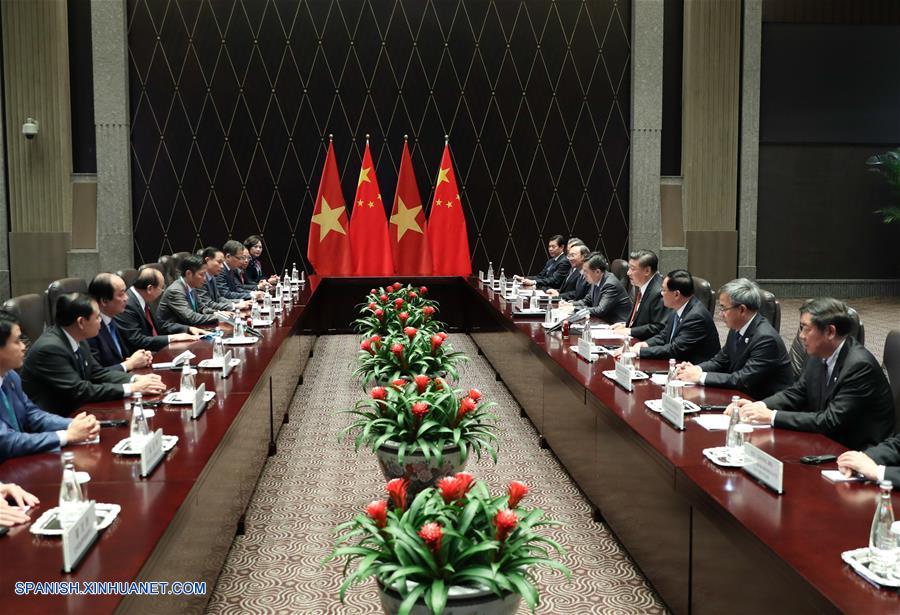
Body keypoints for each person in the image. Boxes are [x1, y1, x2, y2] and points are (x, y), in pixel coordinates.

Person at [732, 298, 894, 451]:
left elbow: (831, 421)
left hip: (857, 450)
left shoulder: (859, 366)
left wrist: (771, 416)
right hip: (827, 439)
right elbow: (798, 392)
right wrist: (760, 406)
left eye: (806, 328)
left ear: (830, 332)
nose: (801, 336)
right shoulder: (820, 353)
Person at [21, 293, 166, 416]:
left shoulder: (78, 337)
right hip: (58, 417)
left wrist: (135, 379)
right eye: (97, 317)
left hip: (80, 410)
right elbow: (80, 391)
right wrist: (133, 388)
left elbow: (97, 373)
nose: (101, 321)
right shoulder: (50, 349)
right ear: (81, 322)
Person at [0, 310, 99, 460]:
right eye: (17, 341)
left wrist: (72, 425)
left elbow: (32, 415)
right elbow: (5, 441)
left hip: (20, 463)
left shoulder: (10, 376)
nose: (23, 347)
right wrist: (67, 435)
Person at [675, 278, 793, 399]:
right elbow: (720, 361)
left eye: (723, 308)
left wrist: (700, 376)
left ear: (742, 309)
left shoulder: (766, 339)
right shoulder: (737, 326)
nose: (720, 315)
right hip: (742, 395)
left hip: (762, 403)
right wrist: (695, 369)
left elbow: (743, 379)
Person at [628, 269, 720, 364]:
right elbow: (665, 334)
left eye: (664, 290)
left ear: (676, 294)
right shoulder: (678, 307)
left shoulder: (696, 317)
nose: (661, 293)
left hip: (693, 368)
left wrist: (639, 352)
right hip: (676, 363)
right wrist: (646, 344)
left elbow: (675, 350)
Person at [114, 268, 203, 352]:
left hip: (156, 349)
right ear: (150, 289)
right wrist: (173, 338)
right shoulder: (127, 305)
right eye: (161, 288)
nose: (162, 292)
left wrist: (188, 328)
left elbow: (162, 325)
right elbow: (137, 340)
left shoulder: (145, 298)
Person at [86, 273, 153, 371]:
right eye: (121, 294)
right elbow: (96, 374)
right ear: (104, 301)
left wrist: (140, 358)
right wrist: (130, 363)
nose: (127, 298)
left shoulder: (111, 319)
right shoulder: (91, 329)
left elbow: (121, 358)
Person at [611, 250, 669, 340]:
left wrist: (629, 331)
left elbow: (658, 327)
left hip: (647, 345)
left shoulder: (659, 292)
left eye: (633, 269)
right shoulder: (643, 284)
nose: (628, 273)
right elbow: (641, 320)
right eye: (629, 268)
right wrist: (626, 324)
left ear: (647, 271)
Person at [564, 252, 632, 323]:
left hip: (616, 324)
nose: (583, 275)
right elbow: (587, 300)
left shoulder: (610, 284)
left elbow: (600, 310)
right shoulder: (596, 279)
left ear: (597, 272)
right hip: (602, 321)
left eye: (586, 272)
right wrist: (570, 304)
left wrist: (574, 308)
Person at [157, 255, 222, 327]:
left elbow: (202, 309)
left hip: (191, 328)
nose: (205, 278)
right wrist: (218, 317)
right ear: (189, 274)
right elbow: (191, 317)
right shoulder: (175, 291)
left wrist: (218, 313)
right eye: (201, 274)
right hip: (176, 333)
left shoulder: (191, 286)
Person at [198, 247, 250, 312]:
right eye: (219, 262)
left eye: (222, 263)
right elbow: (208, 303)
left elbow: (219, 298)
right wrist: (234, 306)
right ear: (207, 260)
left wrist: (240, 302)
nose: (222, 266)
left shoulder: (212, 277)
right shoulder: (200, 279)